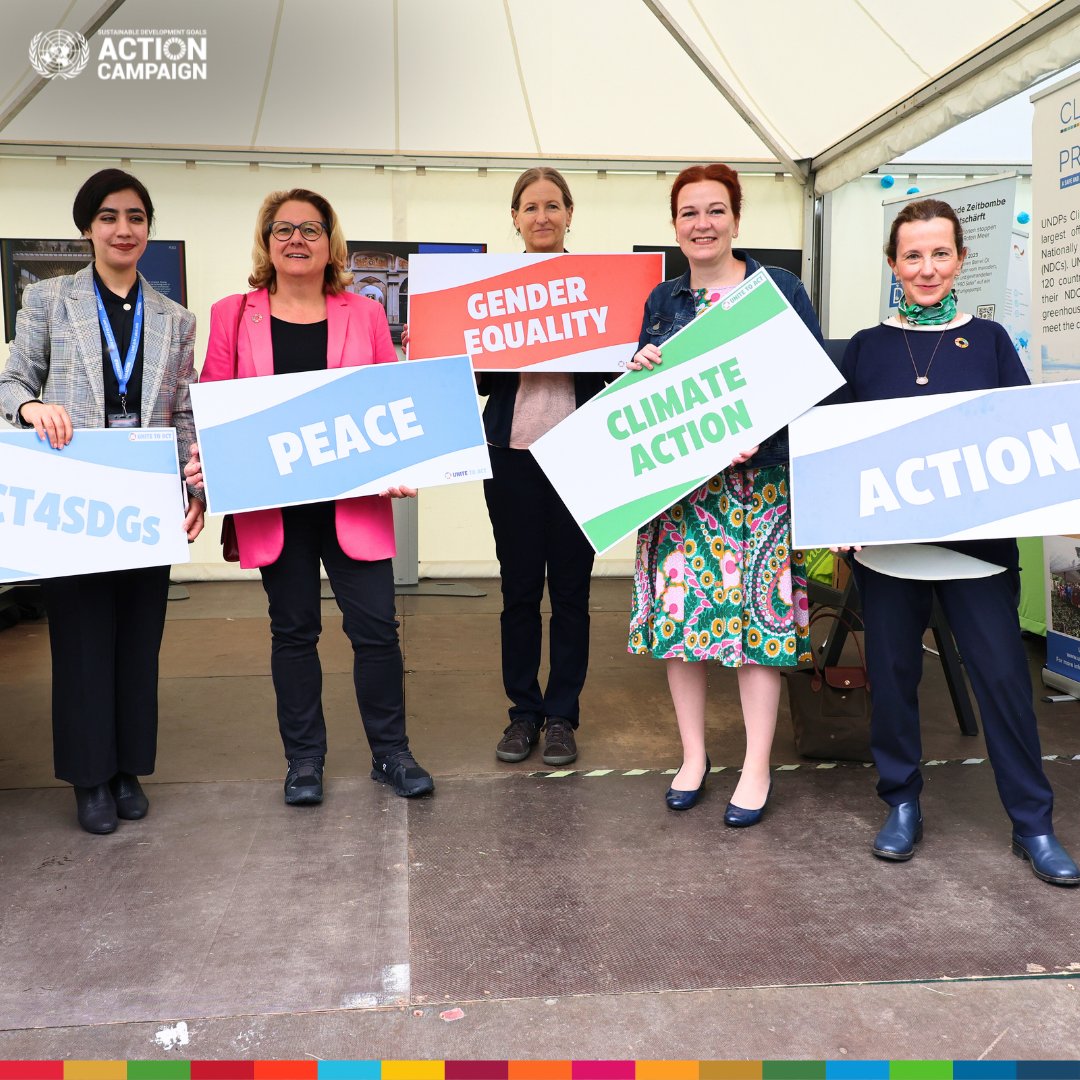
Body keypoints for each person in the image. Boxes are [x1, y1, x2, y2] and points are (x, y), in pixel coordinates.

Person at [831, 198, 1078, 884]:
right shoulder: (867, 347)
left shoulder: (992, 342)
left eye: (940, 253)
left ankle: (1032, 824)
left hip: (979, 555)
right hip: (888, 556)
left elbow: (1027, 446)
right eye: (913, 254)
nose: (927, 267)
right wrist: (840, 515)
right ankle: (901, 803)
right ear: (892, 265)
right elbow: (840, 454)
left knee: (1003, 680)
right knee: (895, 680)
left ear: (962, 260)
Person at [188, 188, 432, 805]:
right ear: (267, 241)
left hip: (353, 504)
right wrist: (205, 463)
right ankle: (303, 761)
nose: (297, 239)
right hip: (275, 507)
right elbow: (215, 401)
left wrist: (403, 462)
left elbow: (390, 400)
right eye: (283, 228)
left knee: (376, 629)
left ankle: (391, 754)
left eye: (311, 228)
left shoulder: (366, 315)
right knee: (293, 631)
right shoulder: (232, 314)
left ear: (331, 243)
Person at [0, 168, 205, 834]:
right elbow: (10, 382)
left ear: (149, 228)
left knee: (139, 638)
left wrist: (197, 487)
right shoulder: (49, 302)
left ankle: (127, 770)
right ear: (87, 227)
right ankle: (89, 779)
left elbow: (183, 412)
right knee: (83, 638)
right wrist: (30, 406)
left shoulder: (174, 318)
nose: (125, 229)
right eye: (110, 216)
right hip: (75, 491)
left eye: (137, 217)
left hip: (146, 495)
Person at [626, 163, 821, 821]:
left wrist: (758, 430)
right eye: (689, 212)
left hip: (757, 486)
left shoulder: (779, 288)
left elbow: (808, 378)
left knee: (756, 627)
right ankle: (693, 756)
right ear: (674, 224)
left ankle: (757, 765)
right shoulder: (663, 301)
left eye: (715, 210)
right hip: (680, 494)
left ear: (736, 218)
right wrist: (641, 366)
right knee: (682, 625)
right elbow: (648, 396)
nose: (702, 224)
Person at [480, 167, 606, 767]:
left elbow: (613, 371)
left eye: (552, 206)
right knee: (519, 593)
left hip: (581, 460)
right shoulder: (490, 291)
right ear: (515, 218)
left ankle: (562, 717)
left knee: (574, 596)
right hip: (511, 460)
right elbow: (476, 380)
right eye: (530, 207)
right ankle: (522, 715)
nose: (542, 217)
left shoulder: (597, 288)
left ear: (568, 214)